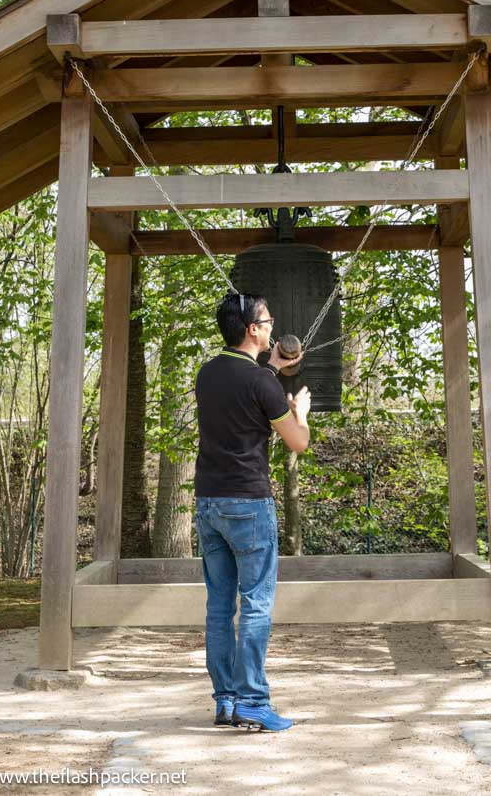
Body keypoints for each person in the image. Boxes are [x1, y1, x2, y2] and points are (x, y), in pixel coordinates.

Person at [194, 292, 311, 732]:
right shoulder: (262, 384)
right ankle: (254, 702)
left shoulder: (208, 374)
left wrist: (273, 369)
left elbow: (247, 385)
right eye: (267, 319)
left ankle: (225, 700)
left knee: (219, 607)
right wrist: (300, 411)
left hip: (209, 503)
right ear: (252, 329)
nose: (272, 323)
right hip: (248, 503)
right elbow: (297, 441)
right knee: (257, 605)